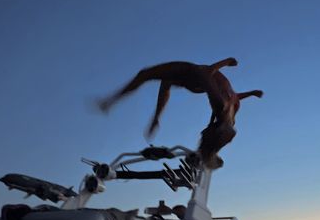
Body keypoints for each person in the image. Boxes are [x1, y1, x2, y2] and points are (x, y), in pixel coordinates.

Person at [96, 58, 263, 167]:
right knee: (147, 76)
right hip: (194, 73)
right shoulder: (224, 107)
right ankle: (110, 101)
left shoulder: (230, 106)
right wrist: (226, 62)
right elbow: (207, 72)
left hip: (193, 78)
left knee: (151, 77)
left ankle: (111, 102)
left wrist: (254, 93)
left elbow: (238, 96)